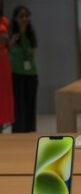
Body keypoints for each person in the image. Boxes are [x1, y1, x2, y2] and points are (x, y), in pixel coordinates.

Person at [8, 6, 38, 133]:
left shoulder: (30, 34)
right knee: (18, 105)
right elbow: (7, 49)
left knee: (30, 104)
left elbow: (32, 53)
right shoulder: (10, 35)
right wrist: (14, 38)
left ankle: (29, 132)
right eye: (21, 16)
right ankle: (18, 132)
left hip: (31, 74)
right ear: (15, 19)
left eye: (26, 16)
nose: (24, 19)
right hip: (16, 74)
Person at [0, 2, 14, 133]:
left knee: (3, 93)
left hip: (3, 59)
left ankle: (2, 125)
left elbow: (9, 45)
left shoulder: (5, 21)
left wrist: (9, 40)